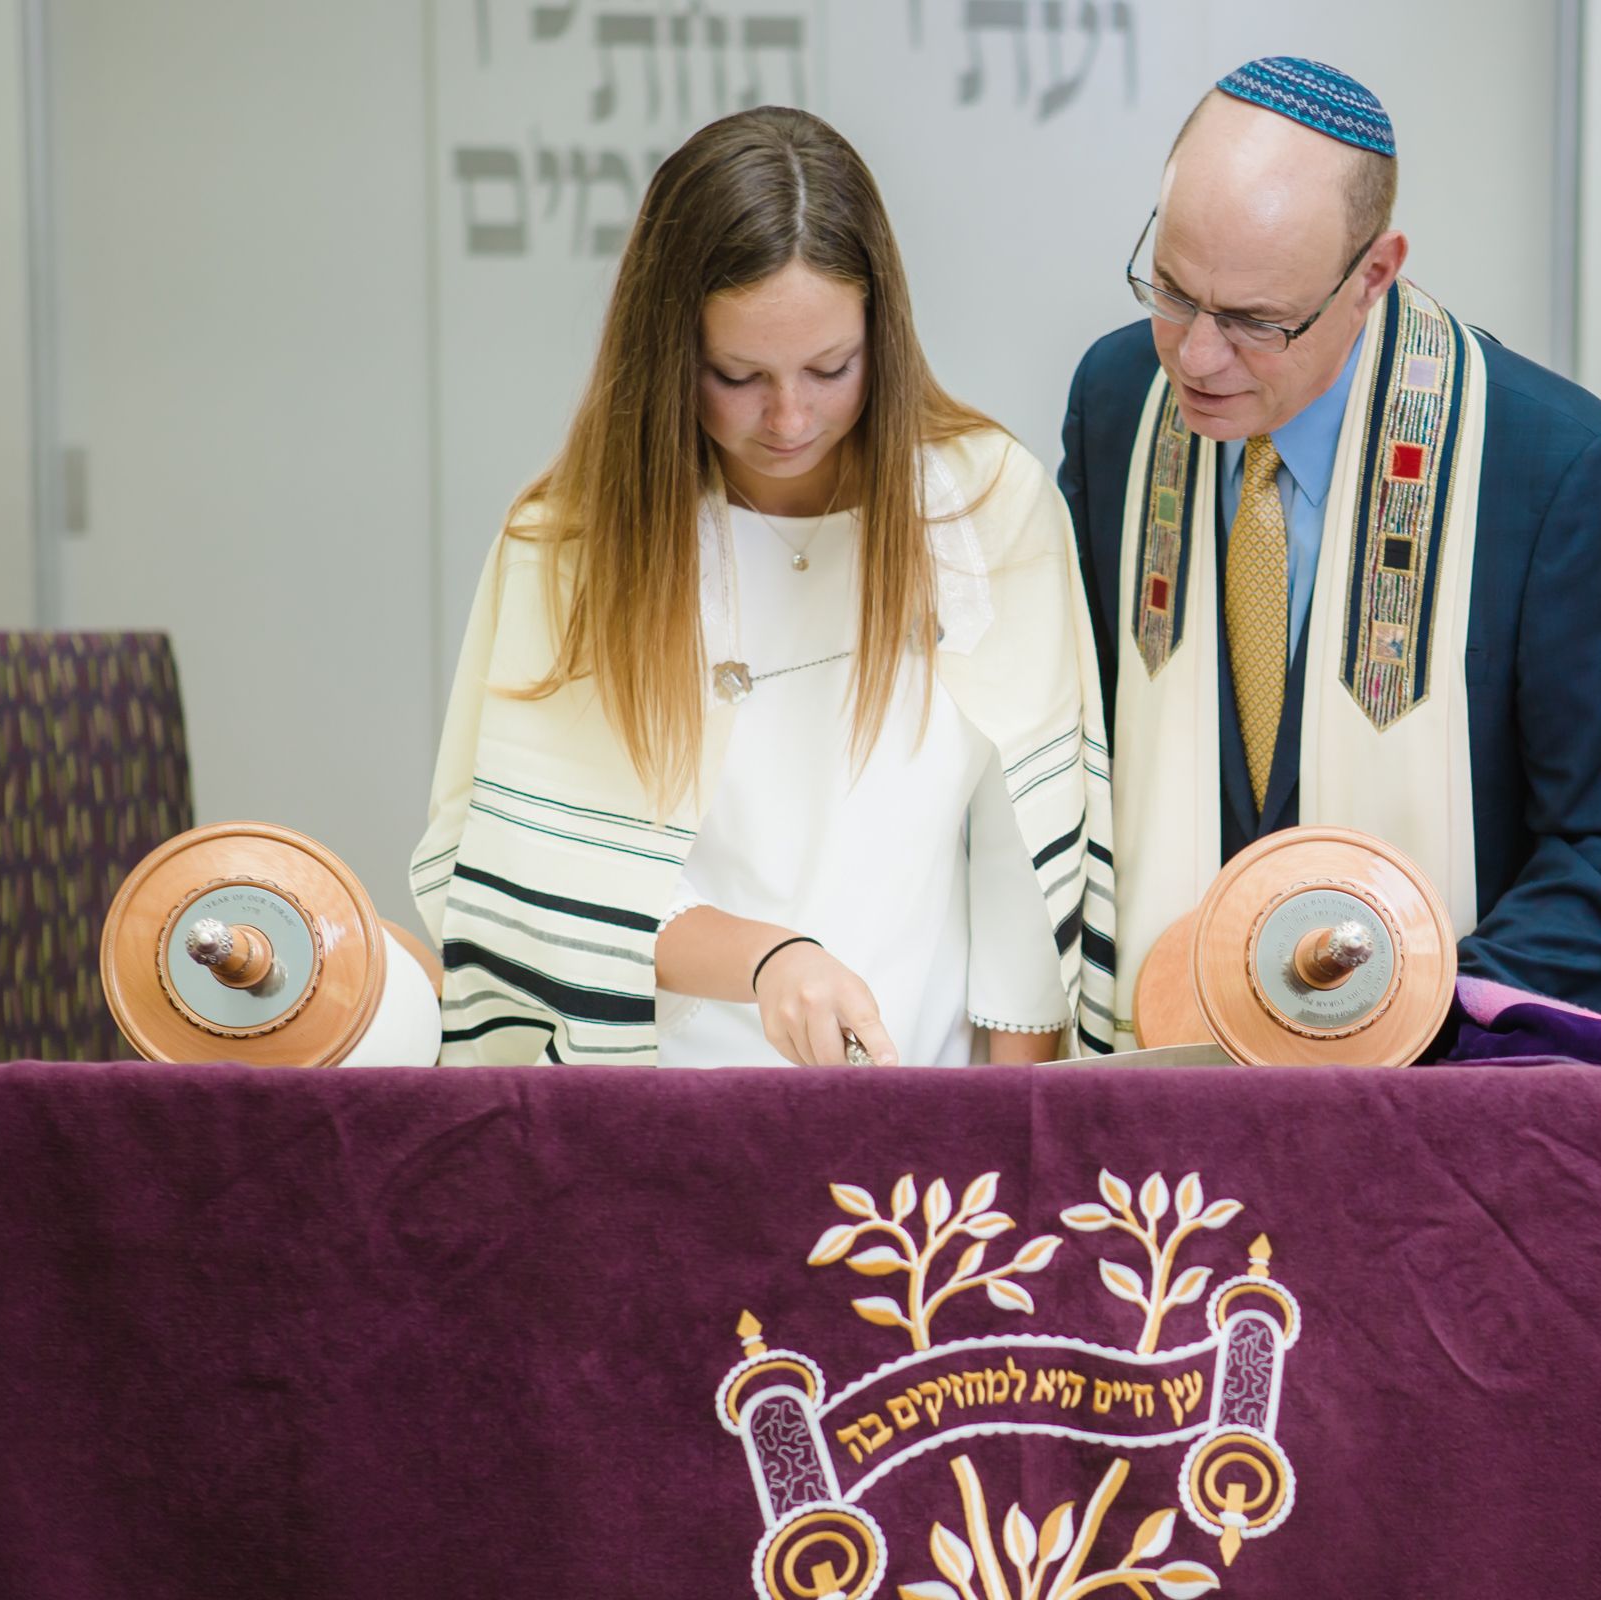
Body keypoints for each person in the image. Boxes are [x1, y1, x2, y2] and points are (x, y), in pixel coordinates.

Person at [413, 107, 1111, 1067]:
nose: (790, 418)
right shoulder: (573, 538)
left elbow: (1022, 853)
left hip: (929, 1094)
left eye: (832, 367)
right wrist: (768, 959)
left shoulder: (984, 502)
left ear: (884, 333)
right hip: (670, 1113)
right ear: (668, 357)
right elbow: (538, 875)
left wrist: (998, 1127)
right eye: (737, 375)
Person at [1059, 57, 1601, 1046]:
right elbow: (1075, 749)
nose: (1194, 356)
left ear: (1374, 274)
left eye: (1256, 322)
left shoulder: (1563, 475)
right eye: (1173, 291)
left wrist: (1383, 1019)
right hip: (1183, 1056)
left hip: (1483, 1072)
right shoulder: (1118, 407)